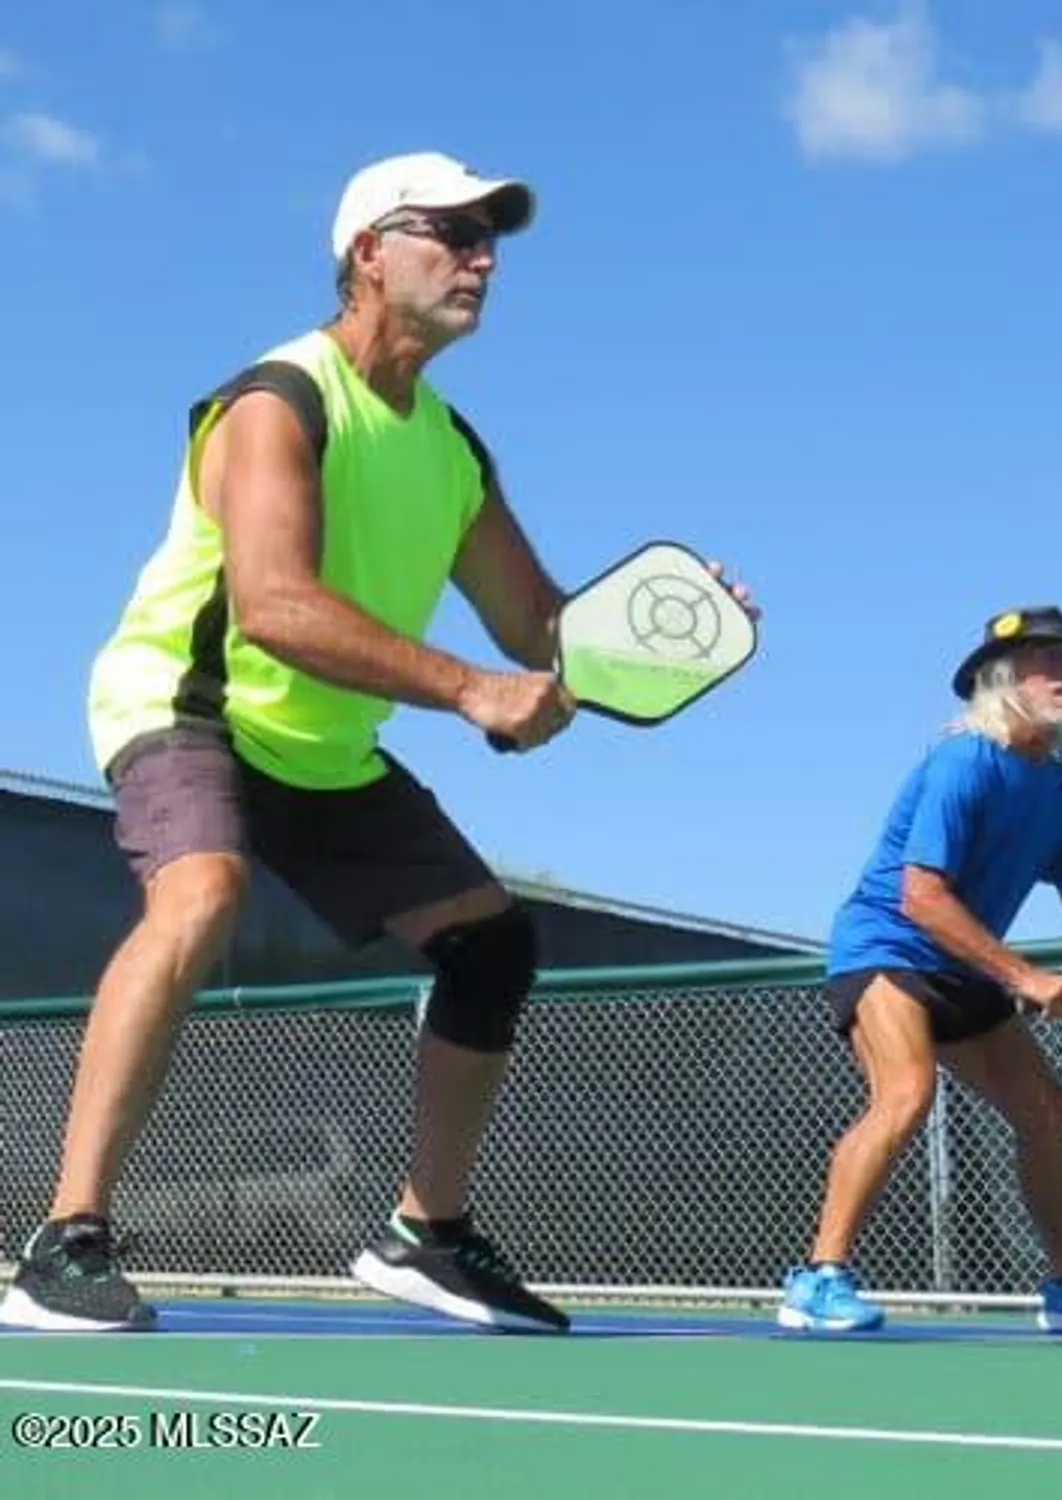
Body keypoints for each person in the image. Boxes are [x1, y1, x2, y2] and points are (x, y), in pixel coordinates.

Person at [0, 150, 753, 1334]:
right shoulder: (278, 399)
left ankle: (426, 1234)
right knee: (201, 890)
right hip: (192, 702)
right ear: (366, 252)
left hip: (322, 741)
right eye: (451, 232)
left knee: (492, 946)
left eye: (489, 238)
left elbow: (537, 628)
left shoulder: (451, 451)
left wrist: (659, 637)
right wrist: (472, 692)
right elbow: (274, 605)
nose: (481, 259)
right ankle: (66, 1239)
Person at [778, 606, 1062, 1336]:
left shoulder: (1061, 790)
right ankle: (817, 1280)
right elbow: (921, 897)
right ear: (1001, 679)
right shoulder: (962, 762)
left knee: (1048, 1108)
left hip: (965, 961)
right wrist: (1026, 978)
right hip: (888, 947)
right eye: (1047, 660)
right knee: (906, 1093)